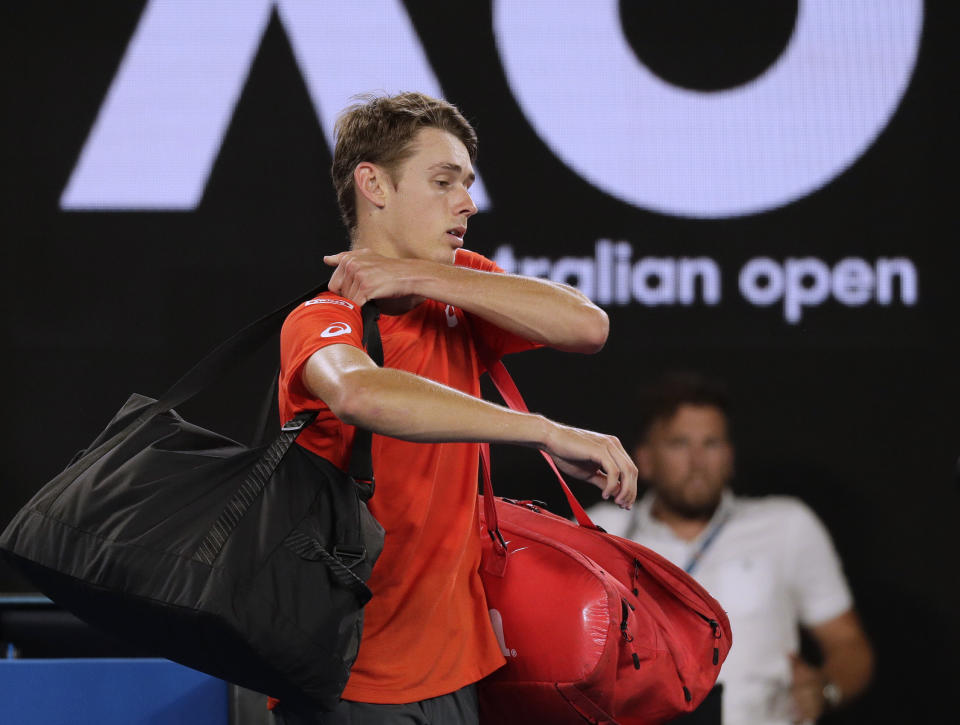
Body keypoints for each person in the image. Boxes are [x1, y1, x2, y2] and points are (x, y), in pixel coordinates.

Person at [273, 92, 638, 724]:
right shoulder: (321, 317)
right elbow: (362, 393)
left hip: (459, 675)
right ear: (374, 185)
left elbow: (587, 326)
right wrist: (542, 433)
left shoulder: (453, 289)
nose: (466, 203)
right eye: (443, 182)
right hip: (349, 681)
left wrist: (423, 277)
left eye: (466, 184)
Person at [587, 373, 873, 725]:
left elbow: (848, 645)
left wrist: (825, 689)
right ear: (643, 460)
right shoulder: (599, 533)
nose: (697, 461)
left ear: (730, 457)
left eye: (711, 443)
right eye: (679, 443)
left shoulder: (787, 525)